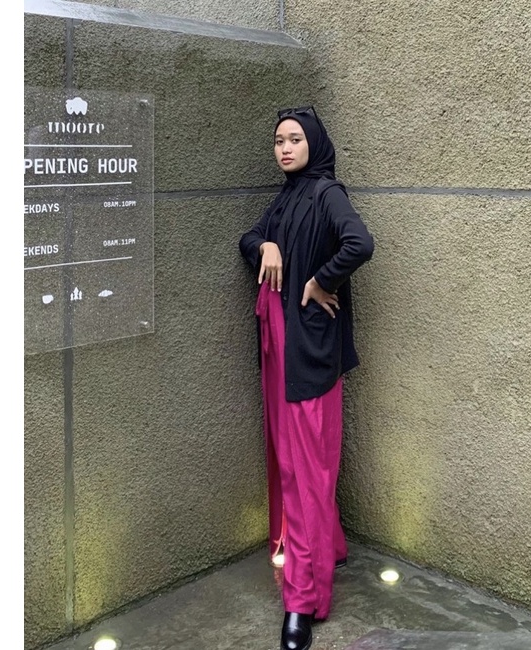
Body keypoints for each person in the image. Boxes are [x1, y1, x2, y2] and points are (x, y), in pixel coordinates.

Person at [239, 106, 374, 650]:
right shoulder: (286, 195)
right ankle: (327, 546)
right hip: (279, 347)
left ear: (314, 143)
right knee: (291, 461)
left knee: (307, 471)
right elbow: (249, 237)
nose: (285, 148)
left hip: (309, 354)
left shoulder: (325, 193)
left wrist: (321, 280)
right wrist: (266, 246)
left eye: (295, 139)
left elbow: (359, 243)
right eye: (278, 141)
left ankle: (302, 598)